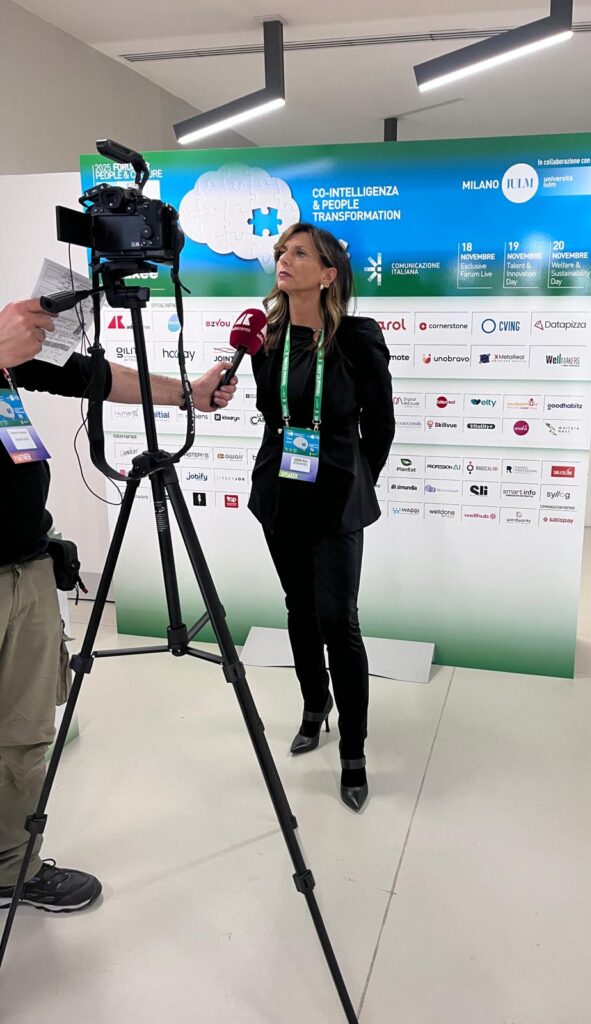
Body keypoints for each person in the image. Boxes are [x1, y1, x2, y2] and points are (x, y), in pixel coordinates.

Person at [0, 298, 237, 912]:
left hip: (27, 564)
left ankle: (11, 869)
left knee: (23, 734)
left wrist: (188, 394)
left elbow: (91, 376)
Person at [248, 224, 395, 813]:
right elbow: (272, 413)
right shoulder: (266, 337)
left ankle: (353, 751)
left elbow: (379, 425)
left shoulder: (359, 337)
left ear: (328, 274)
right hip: (280, 494)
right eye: (282, 252)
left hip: (336, 496)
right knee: (299, 610)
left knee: (339, 621)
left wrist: (356, 479)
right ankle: (315, 704)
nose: (284, 260)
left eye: (299, 253)